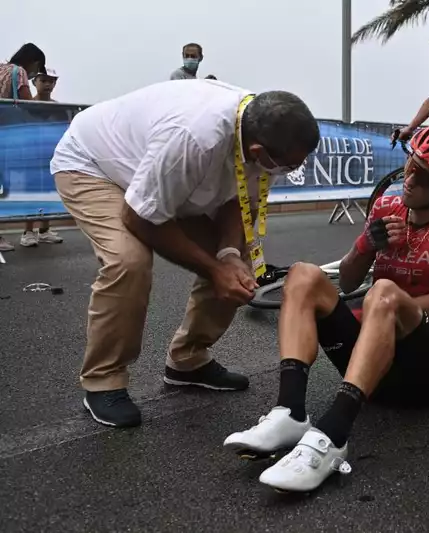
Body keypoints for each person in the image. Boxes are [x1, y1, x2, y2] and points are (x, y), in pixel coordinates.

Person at [50, 80, 319, 428]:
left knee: (239, 265)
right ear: (257, 151)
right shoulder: (195, 139)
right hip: (93, 165)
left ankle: (188, 360)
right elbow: (140, 217)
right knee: (128, 261)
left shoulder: (264, 134)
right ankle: (104, 380)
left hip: (156, 172)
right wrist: (213, 267)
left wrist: (226, 254)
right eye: (287, 166)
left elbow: (237, 197)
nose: (290, 171)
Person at [223, 125, 429, 493]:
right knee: (303, 275)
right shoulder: (387, 205)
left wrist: (381, 310)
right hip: (369, 360)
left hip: (423, 370)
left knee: (382, 294)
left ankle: (334, 435)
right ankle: (289, 411)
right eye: (409, 165)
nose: (409, 179)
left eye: (423, 175)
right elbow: (351, 280)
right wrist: (368, 245)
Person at [0, 43, 46, 253]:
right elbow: (28, 103)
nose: (34, 74)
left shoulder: (2, 69)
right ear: (34, 62)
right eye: (38, 68)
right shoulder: (19, 72)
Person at [20, 68, 64, 248]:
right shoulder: (26, 105)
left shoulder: (58, 106)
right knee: (30, 193)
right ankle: (27, 232)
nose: (47, 84)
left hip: (50, 156)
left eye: (51, 81)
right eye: (43, 80)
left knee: (49, 193)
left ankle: (44, 231)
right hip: (30, 156)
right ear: (34, 82)